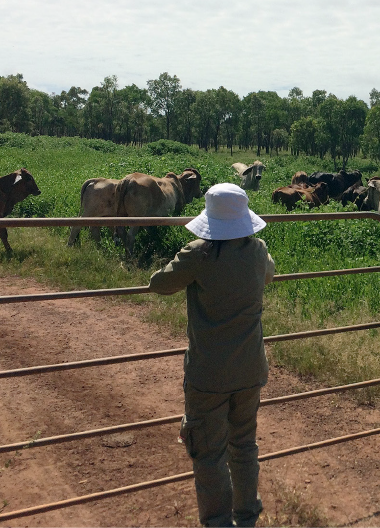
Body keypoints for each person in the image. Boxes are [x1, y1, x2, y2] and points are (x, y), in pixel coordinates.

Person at [149, 182, 275, 527]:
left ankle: (219, 522)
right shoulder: (258, 249)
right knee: (244, 445)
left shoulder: (198, 254)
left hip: (209, 374)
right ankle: (247, 515)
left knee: (208, 454)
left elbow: (159, 284)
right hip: (250, 368)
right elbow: (269, 274)